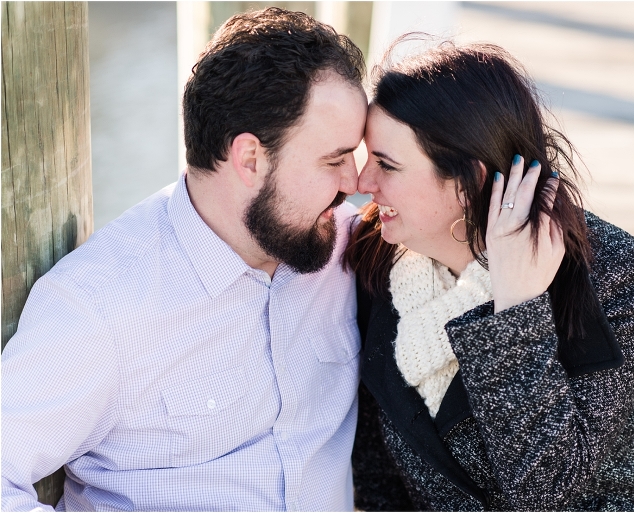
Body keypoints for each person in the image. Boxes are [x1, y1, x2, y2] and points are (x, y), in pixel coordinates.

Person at [2, 8, 367, 511]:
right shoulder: (99, 306)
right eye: (335, 160)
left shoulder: (345, 246)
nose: (354, 183)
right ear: (250, 159)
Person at [346, 40, 634, 511]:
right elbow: (382, 479)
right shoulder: (375, 263)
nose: (363, 183)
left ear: (469, 182)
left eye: (387, 164)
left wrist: (517, 307)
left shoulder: (610, 275)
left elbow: (547, 490)